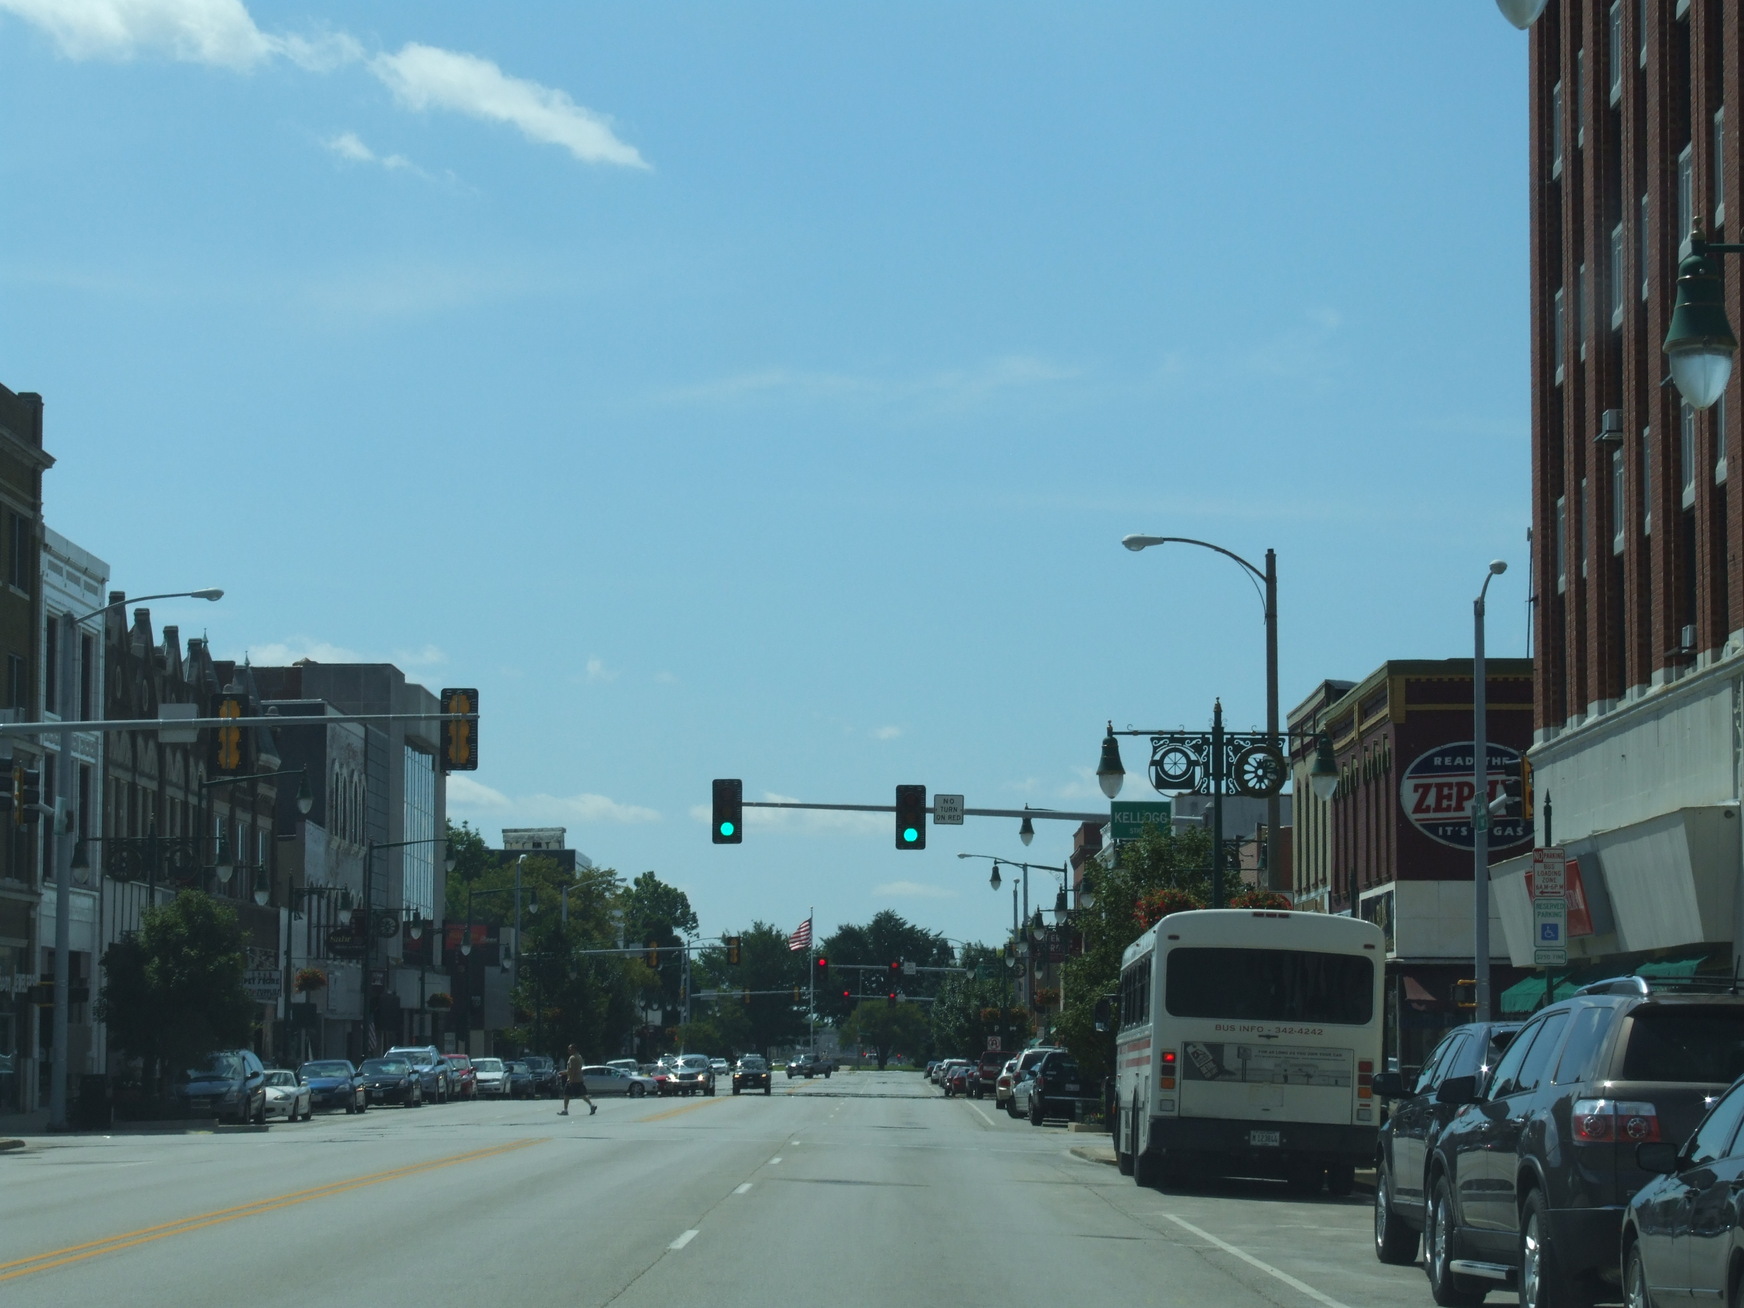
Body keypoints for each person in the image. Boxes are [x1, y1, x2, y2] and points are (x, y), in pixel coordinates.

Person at [561, 1045, 596, 1116]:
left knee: (566, 1094)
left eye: (570, 1049)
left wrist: (570, 1079)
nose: (568, 1050)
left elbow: (572, 1070)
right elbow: (576, 1069)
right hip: (579, 1079)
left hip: (573, 1080)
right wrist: (564, 1072)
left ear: (574, 1049)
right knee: (582, 1094)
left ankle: (565, 1110)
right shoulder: (579, 1056)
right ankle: (591, 1105)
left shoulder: (572, 1058)